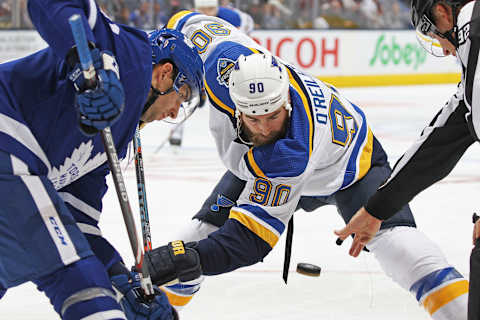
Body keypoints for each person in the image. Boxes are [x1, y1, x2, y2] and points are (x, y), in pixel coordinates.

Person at [140, 10, 469, 319]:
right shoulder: (216, 56)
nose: (266, 128)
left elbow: (247, 241)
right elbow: (180, 26)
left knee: (400, 247)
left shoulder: (288, 152)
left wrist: (193, 258)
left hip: (352, 167)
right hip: (267, 164)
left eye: (274, 115)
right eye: (254, 118)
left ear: (286, 99)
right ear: (235, 106)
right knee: (196, 234)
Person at [0, 1, 204, 319]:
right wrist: (87, 63)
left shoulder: (115, 140)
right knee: (76, 276)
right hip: (7, 137)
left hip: (14, 181)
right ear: (165, 75)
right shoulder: (130, 55)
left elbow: (76, 222)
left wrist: (124, 282)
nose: (176, 112)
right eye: (183, 95)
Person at [332, 0, 480, 318]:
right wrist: (378, 208)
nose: (447, 49)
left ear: (442, 12)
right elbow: (444, 137)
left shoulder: (473, 30)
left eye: (436, 35)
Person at [167, 0, 255, 148]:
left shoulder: (233, 17)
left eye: (209, 9)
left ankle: (243, 134)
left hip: (227, 65)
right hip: (201, 63)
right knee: (184, 94)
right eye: (202, 9)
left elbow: (242, 38)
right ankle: (177, 130)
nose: (206, 13)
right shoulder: (193, 22)